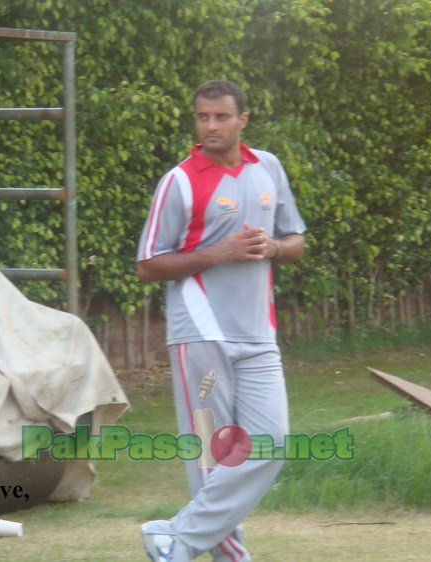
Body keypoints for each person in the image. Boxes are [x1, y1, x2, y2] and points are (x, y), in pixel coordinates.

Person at [135, 79, 306, 562]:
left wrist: (272, 247)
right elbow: (148, 264)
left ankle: (176, 538)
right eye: (202, 117)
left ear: (242, 120)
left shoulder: (268, 167)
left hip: (258, 337)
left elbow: (296, 240)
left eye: (221, 117)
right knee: (214, 459)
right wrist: (218, 253)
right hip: (201, 334)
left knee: (270, 445)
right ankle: (221, 555)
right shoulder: (180, 181)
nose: (210, 126)